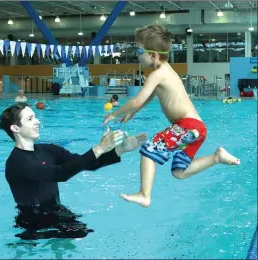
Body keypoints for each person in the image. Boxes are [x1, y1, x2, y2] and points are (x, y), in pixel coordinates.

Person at [103, 24, 240, 208]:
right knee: (179, 171)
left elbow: (136, 100)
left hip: (187, 126)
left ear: (153, 55)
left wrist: (114, 113)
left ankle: (145, 195)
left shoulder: (157, 74)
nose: (137, 54)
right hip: (197, 129)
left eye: (139, 50)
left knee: (149, 150)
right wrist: (133, 112)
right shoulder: (166, 71)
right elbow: (149, 97)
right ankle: (216, 157)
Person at [0, 103, 146, 239]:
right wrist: (99, 148)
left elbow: (85, 163)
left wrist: (120, 149)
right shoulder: (17, 162)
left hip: (57, 212)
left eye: (35, 117)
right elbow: (60, 174)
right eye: (30, 119)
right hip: (33, 222)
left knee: (81, 234)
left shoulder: (49, 150)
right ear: (15, 128)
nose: (37, 121)